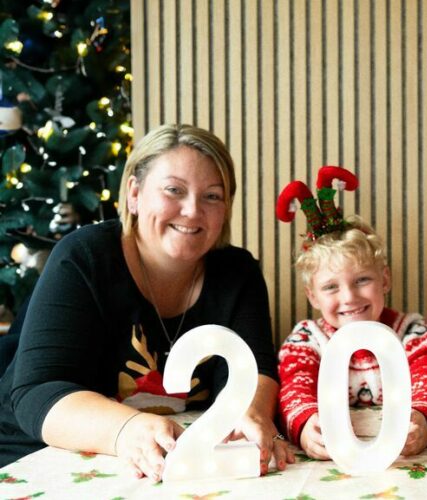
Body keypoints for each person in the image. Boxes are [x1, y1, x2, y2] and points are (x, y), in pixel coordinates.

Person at [0, 124, 295, 479]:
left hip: (165, 469)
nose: (192, 211)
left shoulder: (238, 272)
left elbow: (256, 368)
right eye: (174, 190)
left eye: (212, 196)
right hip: (37, 458)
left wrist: (249, 411)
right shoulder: (83, 258)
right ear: (134, 193)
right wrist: (128, 429)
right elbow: (38, 393)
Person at [276, 176, 427, 459]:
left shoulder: (414, 334)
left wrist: (422, 419)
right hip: (337, 458)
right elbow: (294, 386)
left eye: (361, 280)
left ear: (385, 279)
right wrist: (305, 424)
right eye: (331, 287)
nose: (349, 297)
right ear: (312, 296)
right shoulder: (307, 341)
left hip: (396, 457)